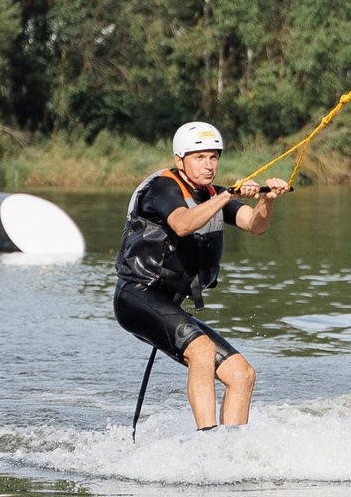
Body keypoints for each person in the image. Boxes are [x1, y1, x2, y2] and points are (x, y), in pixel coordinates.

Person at [113, 121, 288, 430]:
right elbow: (181, 224)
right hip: (137, 295)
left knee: (241, 374)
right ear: (180, 160)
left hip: (168, 303)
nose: (209, 165)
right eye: (200, 158)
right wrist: (226, 196)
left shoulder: (214, 194)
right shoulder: (162, 188)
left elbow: (255, 225)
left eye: (213, 157)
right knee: (202, 349)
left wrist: (267, 199)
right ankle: (207, 440)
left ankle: (230, 448)